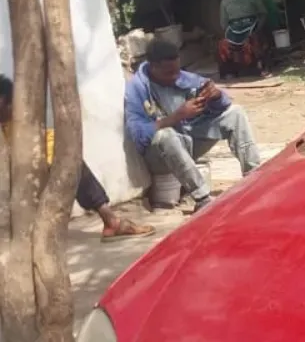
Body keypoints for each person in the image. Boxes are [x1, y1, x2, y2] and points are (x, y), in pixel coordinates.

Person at [0, 74, 154, 240]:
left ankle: (111, 220)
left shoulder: (17, 123)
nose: (15, 108)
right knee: (69, 163)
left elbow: (45, 143)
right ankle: (111, 221)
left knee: (72, 163)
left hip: (32, 168)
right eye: (10, 104)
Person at [124, 38, 261, 212]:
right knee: (166, 135)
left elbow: (219, 107)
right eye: (168, 73)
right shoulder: (136, 89)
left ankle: (255, 176)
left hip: (188, 142)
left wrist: (216, 96)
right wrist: (176, 117)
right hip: (158, 156)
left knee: (235, 113)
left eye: (177, 70)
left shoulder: (183, 78)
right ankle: (202, 197)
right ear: (153, 67)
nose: (175, 77)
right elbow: (138, 135)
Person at [216, 0, 272, 78]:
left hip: (251, 26)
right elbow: (224, 23)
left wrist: (257, 28)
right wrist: (231, 33)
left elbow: (263, 14)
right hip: (235, 29)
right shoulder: (225, 2)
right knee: (223, 44)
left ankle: (262, 68)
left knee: (254, 39)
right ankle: (230, 72)